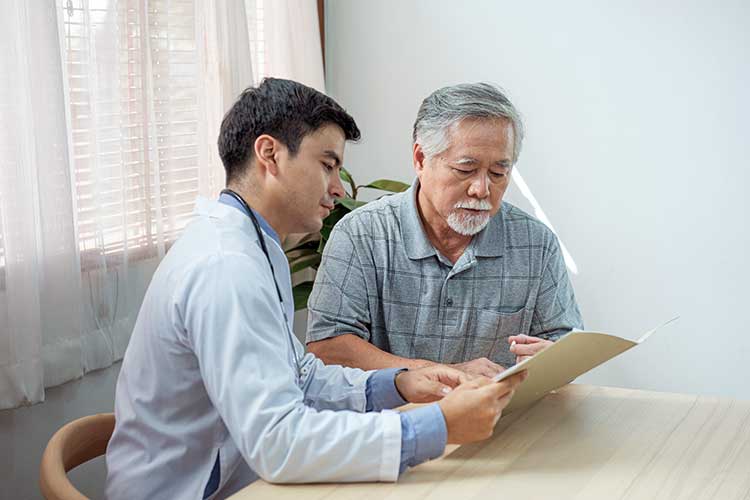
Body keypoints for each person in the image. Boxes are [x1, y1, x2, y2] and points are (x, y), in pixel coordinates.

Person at [104, 78, 526, 500]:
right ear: (270, 154)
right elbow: (279, 442)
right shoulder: (226, 268)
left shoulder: (252, 244)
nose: (340, 188)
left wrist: (398, 383)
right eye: (327, 164)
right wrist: (438, 426)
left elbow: (296, 374)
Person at [306, 82, 583, 378]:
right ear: (421, 159)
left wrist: (554, 359)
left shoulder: (535, 244)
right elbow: (327, 349)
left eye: (498, 173)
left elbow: (567, 346)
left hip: (499, 419)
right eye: (465, 170)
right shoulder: (361, 234)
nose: (481, 189)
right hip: (391, 420)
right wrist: (443, 373)